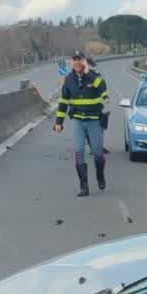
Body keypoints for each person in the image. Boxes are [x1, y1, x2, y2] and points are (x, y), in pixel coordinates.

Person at [53, 52, 108, 196]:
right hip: (78, 121)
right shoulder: (68, 80)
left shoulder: (94, 76)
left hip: (94, 121)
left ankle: (100, 176)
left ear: (84, 61)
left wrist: (88, 73)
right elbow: (64, 102)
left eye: (80, 60)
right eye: (74, 60)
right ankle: (84, 187)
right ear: (71, 62)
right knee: (78, 151)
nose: (77, 62)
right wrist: (59, 122)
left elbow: (103, 89)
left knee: (98, 153)